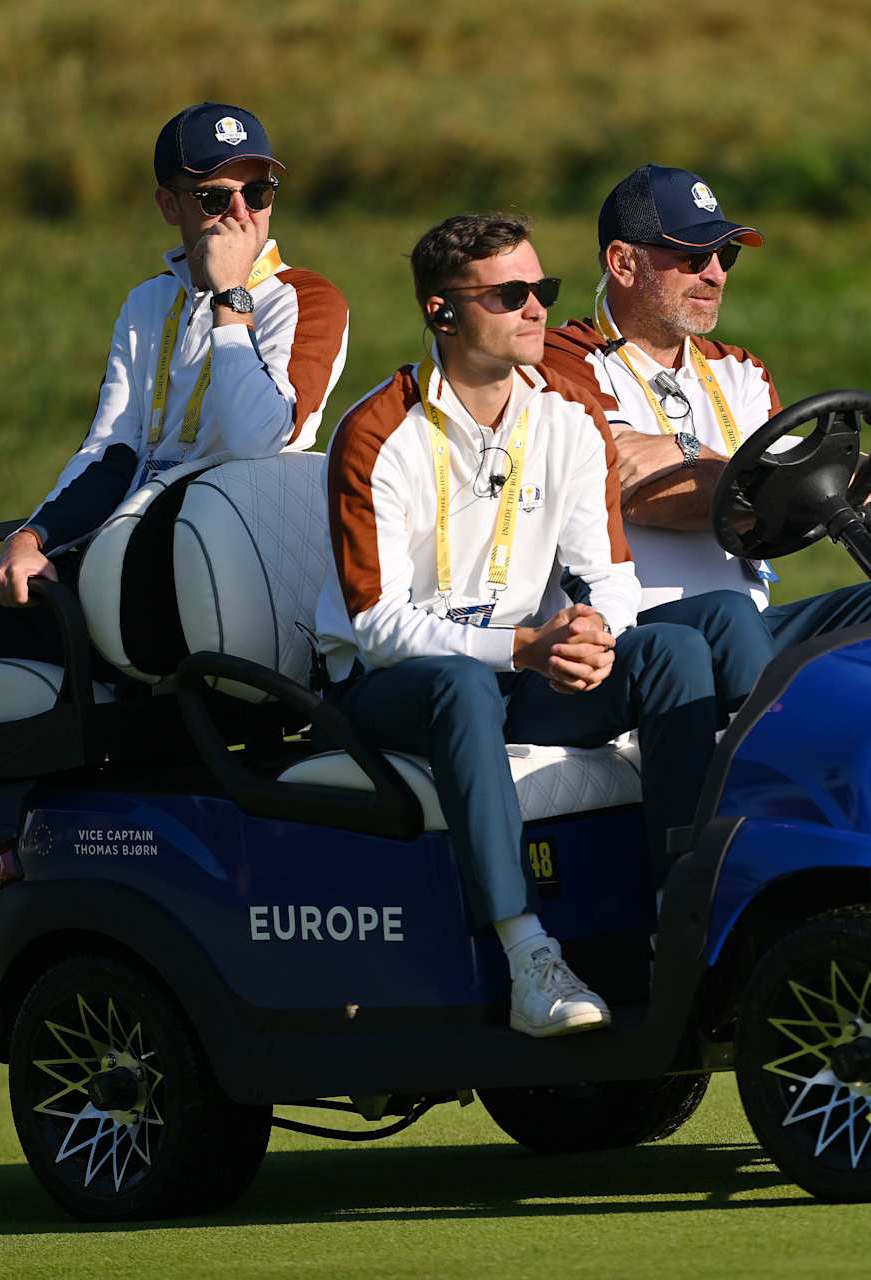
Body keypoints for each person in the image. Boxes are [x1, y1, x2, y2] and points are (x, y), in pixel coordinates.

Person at [0, 103, 351, 1003]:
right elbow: (111, 450)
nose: (239, 213)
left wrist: (228, 303)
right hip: (104, 574)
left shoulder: (305, 298)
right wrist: (32, 538)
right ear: (167, 206)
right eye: (213, 195)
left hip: (191, 595)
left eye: (256, 191)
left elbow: (262, 438)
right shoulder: (148, 304)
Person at [316, 213, 731, 1038]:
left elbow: (610, 575)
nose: (536, 309)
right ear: (442, 314)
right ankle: (527, 957)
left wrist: (592, 635)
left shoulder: (569, 415)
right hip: (389, 689)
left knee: (672, 650)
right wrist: (526, 648)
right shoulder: (375, 433)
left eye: (542, 290)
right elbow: (377, 625)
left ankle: (684, 925)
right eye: (509, 295)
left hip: (524, 668)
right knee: (463, 686)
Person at [544, 164, 871, 717]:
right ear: (622, 262)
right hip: (640, 635)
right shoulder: (565, 359)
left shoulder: (741, 370)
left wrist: (841, 477)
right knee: (727, 617)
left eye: (726, 256)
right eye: (694, 256)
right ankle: (776, 780)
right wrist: (769, 479)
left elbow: (776, 476)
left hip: (749, 624)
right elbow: (628, 477)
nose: (716, 274)